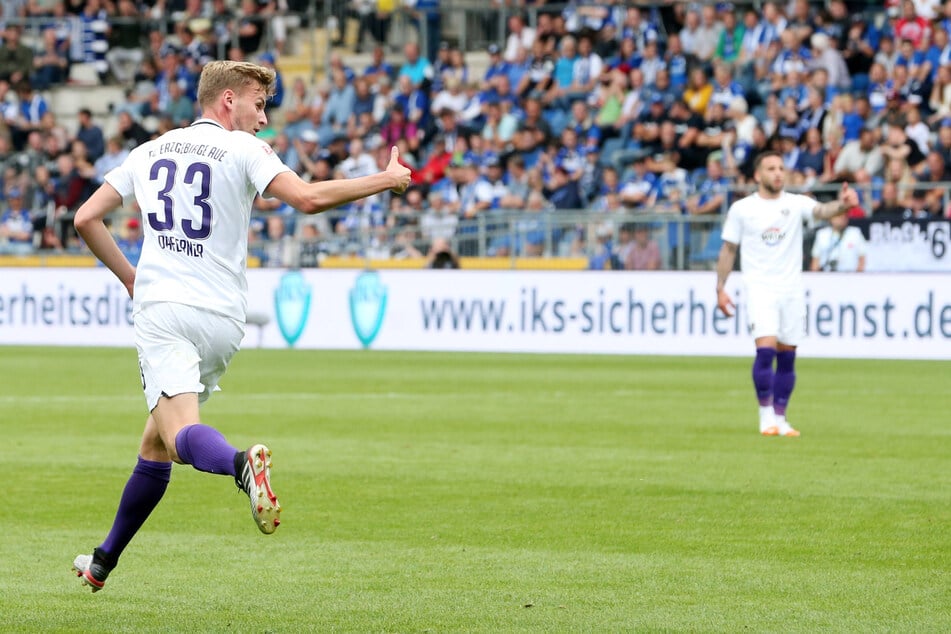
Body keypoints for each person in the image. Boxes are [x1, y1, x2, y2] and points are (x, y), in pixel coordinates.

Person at [71, 60, 411, 592]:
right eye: (259, 104)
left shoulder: (150, 150)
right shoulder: (247, 152)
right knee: (157, 445)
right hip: (223, 319)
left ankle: (239, 465)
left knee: (180, 433)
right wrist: (387, 179)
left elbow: (85, 218)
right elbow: (308, 199)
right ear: (228, 100)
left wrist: (131, 278)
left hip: (165, 311)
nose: (263, 118)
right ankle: (102, 562)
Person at [715, 151, 858, 437]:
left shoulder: (796, 204)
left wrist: (843, 206)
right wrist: (720, 288)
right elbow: (729, 249)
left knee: (788, 356)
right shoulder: (742, 209)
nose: (778, 173)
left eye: (781, 168)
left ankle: (781, 418)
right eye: (771, 168)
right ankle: (765, 415)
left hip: (791, 289)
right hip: (760, 288)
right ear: (758, 175)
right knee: (766, 349)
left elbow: (822, 211)